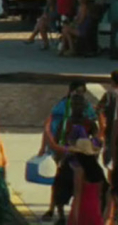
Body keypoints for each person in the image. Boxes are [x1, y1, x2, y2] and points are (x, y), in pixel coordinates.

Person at [44, 83, 98, 224]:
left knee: (82, 191)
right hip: (68, 160)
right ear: (72, 107)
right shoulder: (65, 122)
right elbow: (58, 139)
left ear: (84, 107)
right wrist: (59, 154)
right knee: (60, 188)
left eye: (80, 105)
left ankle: (78, 216)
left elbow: (97, 140)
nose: (78, 107)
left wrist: (91, 153)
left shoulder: (89, 123)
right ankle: (61, 215)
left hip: (83, 162)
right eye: (75, 105)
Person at [70, 139, 106, 225]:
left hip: (82, 207)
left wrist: (75, 217)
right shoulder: (98, 171)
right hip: (95, 207)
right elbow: (99, 194)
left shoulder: (79, 171)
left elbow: (77, 194)